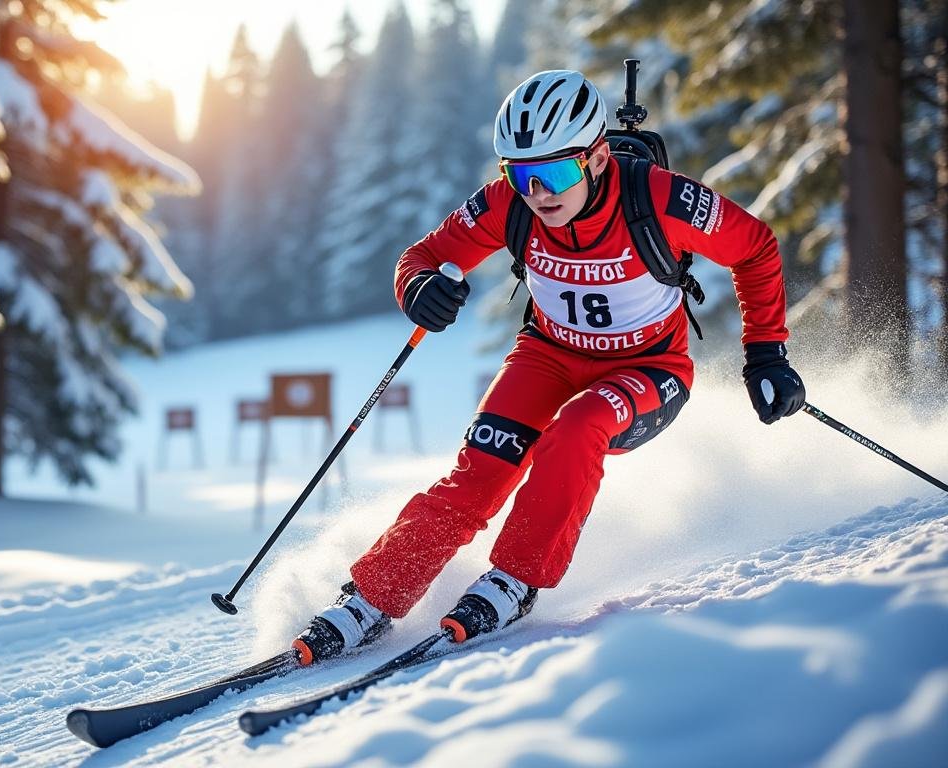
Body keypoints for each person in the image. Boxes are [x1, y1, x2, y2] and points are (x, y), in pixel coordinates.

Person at [291, 70, 806, 666]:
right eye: (520, 173)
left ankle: (515, 579)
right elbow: (425, 255)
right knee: (480, 471)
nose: (538, 192)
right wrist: (419, 287)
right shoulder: (508, 203)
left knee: (577, 427)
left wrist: (766, 350)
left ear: (597, 156)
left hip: (649, 367)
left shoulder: (660, 199)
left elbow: (756, 247)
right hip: (548, 355)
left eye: (556, 172)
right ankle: (371, 598)